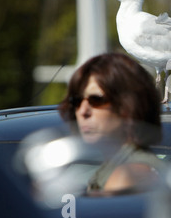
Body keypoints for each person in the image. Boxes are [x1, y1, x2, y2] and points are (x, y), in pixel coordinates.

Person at [58, 52, 164, 194]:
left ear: (128, 106)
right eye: (76, 101)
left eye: (96, 100)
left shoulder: (126, 176)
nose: (83, 111)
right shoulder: (115, 168)